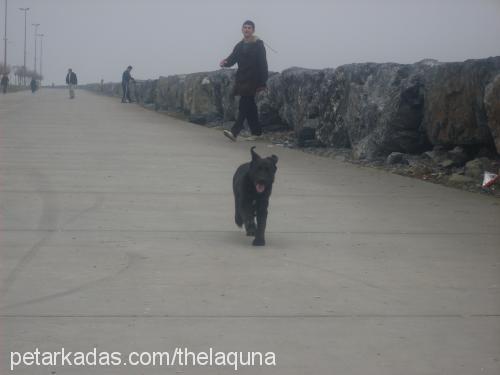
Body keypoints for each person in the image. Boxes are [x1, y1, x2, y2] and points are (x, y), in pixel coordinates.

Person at [220, 20, 268, 141]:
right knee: (250, 106)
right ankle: (257, 133)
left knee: (244, 105)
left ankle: (234, 132)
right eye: (245, 27)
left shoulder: (258, 45)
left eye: (249, 28)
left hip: (254, 79)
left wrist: (263, 82)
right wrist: (225, 62)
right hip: (242, 79)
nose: (247, 30)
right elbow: (232, 58)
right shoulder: (240, 45)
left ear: (253, 30)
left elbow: (263, 64)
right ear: (242, 29)